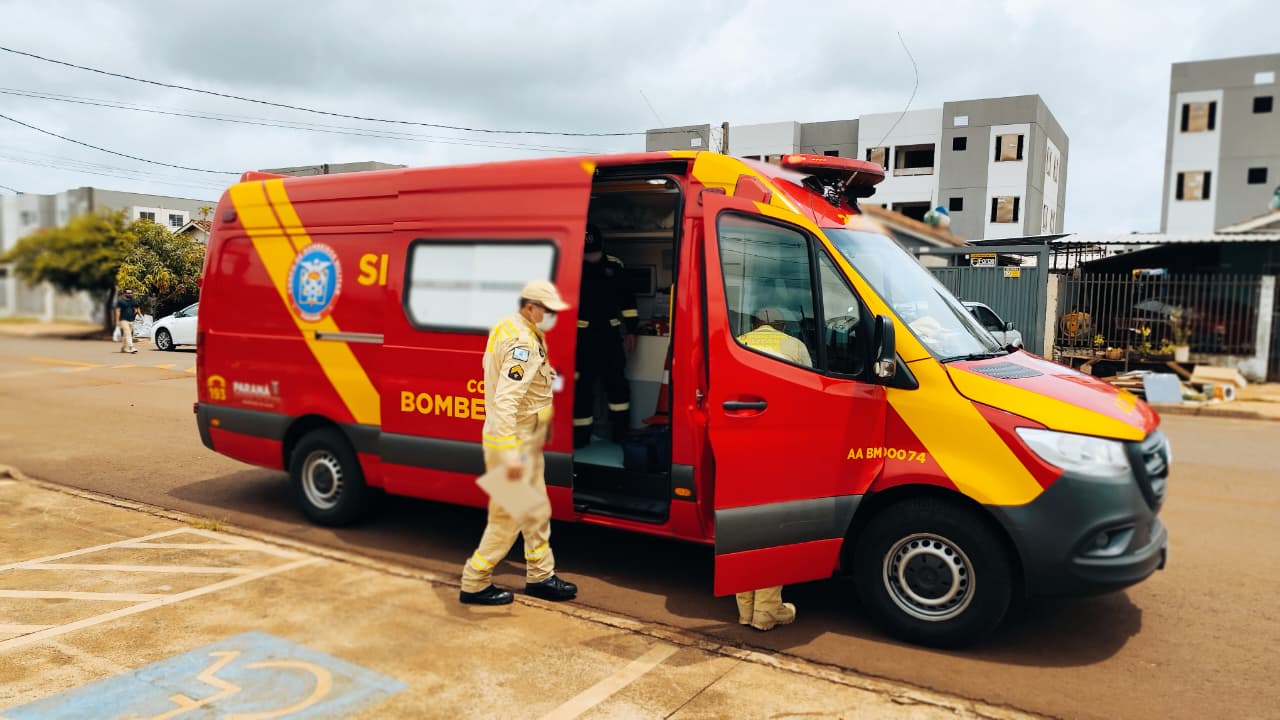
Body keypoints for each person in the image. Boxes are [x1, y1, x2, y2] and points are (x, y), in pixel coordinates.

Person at [460, 279, 579, 606]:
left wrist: (545, 376)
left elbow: (509, 375)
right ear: (530, 307)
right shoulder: (522, 342)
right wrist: (509, 454)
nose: (553, 316)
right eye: (549, 310)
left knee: (536, 509)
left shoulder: (512, 327)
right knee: (508, 517)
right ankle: (474, 582)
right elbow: (506, 401)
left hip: (523, 440)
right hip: (512, 441)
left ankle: (540, 576)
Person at [731, 306, 810, 630]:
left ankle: (745, 610)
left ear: (753, 324)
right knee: (772, 529)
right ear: (782, 326)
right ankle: (766, 611)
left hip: (739, 448)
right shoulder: (795, 347)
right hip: (778, 448)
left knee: (744, 529)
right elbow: (809, 396)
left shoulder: (738, 342)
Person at [573, 225, 640, 448]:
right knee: (582, 389)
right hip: (581, 339)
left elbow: (628, 301)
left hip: (609, 337)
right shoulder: (572, 265)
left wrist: (632, 329)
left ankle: (621, 435)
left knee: (617, 386)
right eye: (586, 252)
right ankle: (580, 439)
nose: (590, 257)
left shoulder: (614, 266)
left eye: (593, 252)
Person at [114, 289, 141, 354]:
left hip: (131, 320)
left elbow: (137, 308)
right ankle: (131, 347)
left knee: (125, 335)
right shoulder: (120, 301)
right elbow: (117, 311)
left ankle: (123, 348)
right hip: (123, 320)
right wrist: (117, 321)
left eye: (131, 293)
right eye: (128, 293)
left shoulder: (133, 301)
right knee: (128, 333)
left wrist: (140, 315)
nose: (130, 294)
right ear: (124, 294)